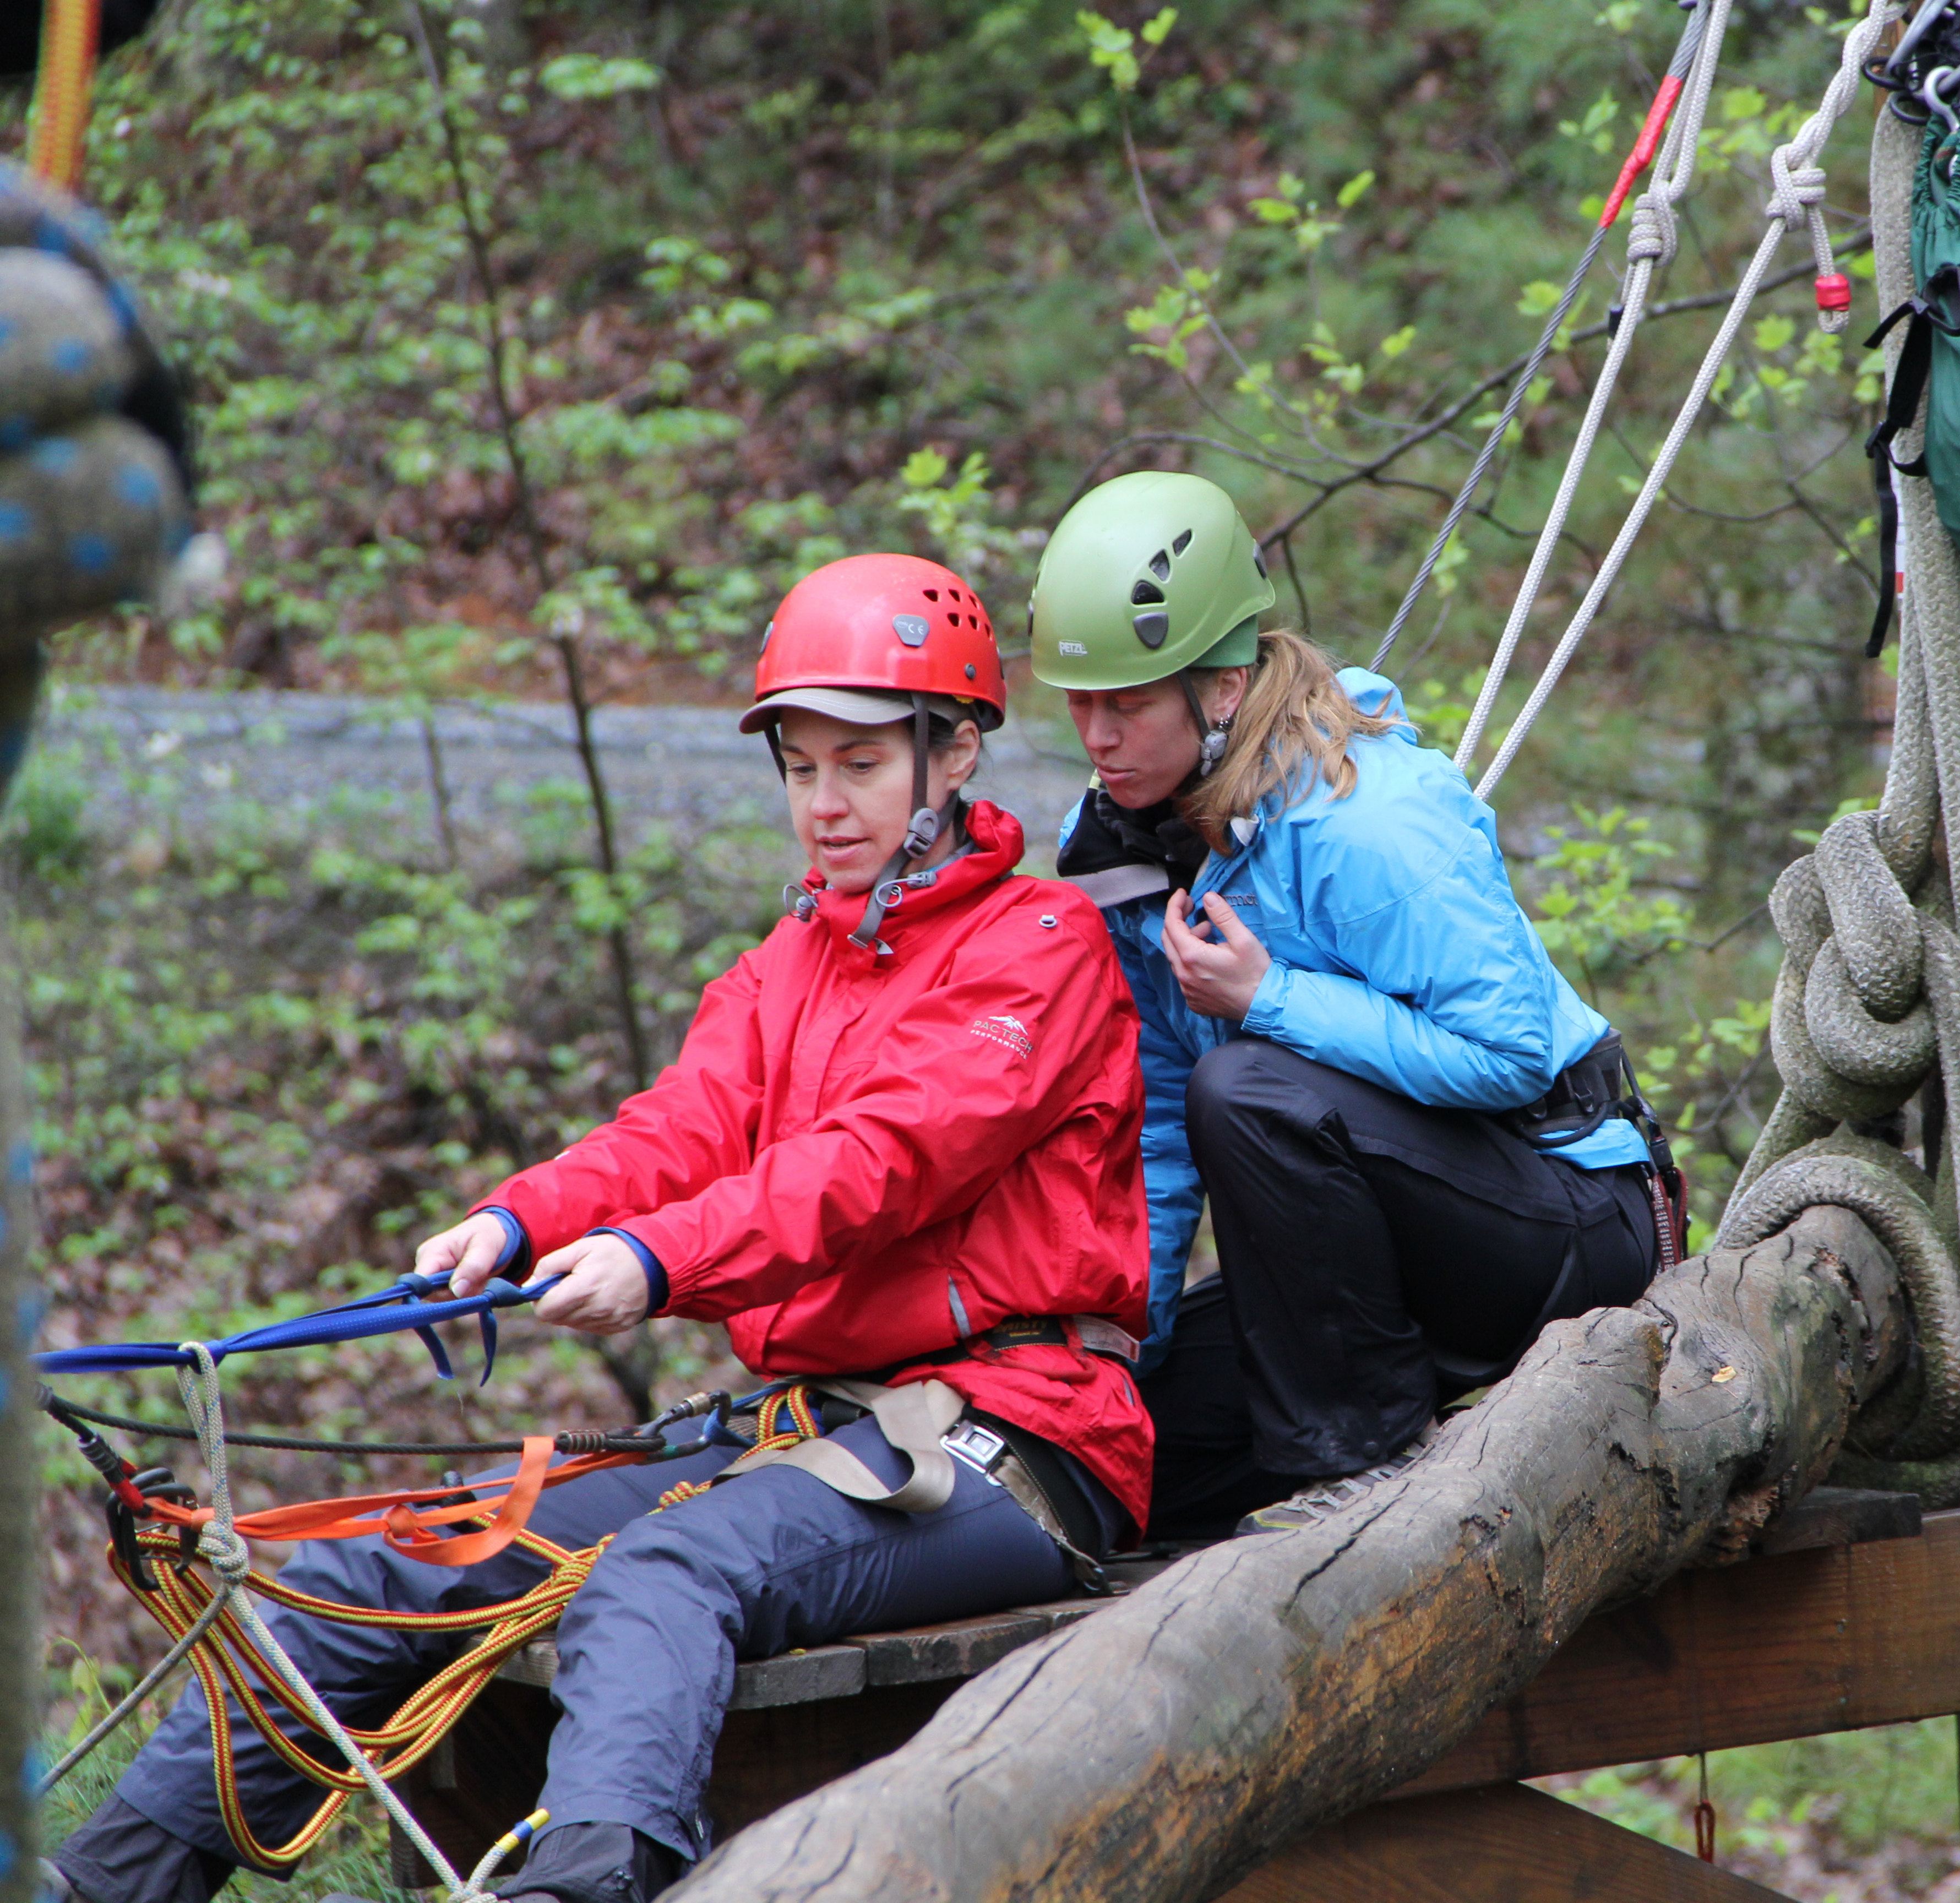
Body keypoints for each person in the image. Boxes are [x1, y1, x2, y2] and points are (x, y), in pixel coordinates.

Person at [51, 554, 1150, 1903]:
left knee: (665, 1568)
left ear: (957, 752)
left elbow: (878, 1166)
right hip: (823, 1423)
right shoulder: (787, 965)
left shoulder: (1039, 949)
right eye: (801, 768)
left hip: (1016, 1439)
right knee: (394, 1557)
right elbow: (675, 1131)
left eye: (861, 764)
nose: (824, 804)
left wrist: (657, 1261)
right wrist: (516, 1224)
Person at [1032, 471, 1680, 1542]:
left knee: (1246, 1085)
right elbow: (1150, 1119)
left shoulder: (1366, 820)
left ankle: (1368, 1468)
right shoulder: (1116, 854)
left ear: (1226, 684)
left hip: (1566, 1220)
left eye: (1129, 703)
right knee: (1130, 1450)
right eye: (1080, 701)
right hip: (1366, 1271)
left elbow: (1513, 1052)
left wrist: (1271, 997)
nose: (1097, 736)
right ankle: (1334, 1445)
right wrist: (1115, 1348)